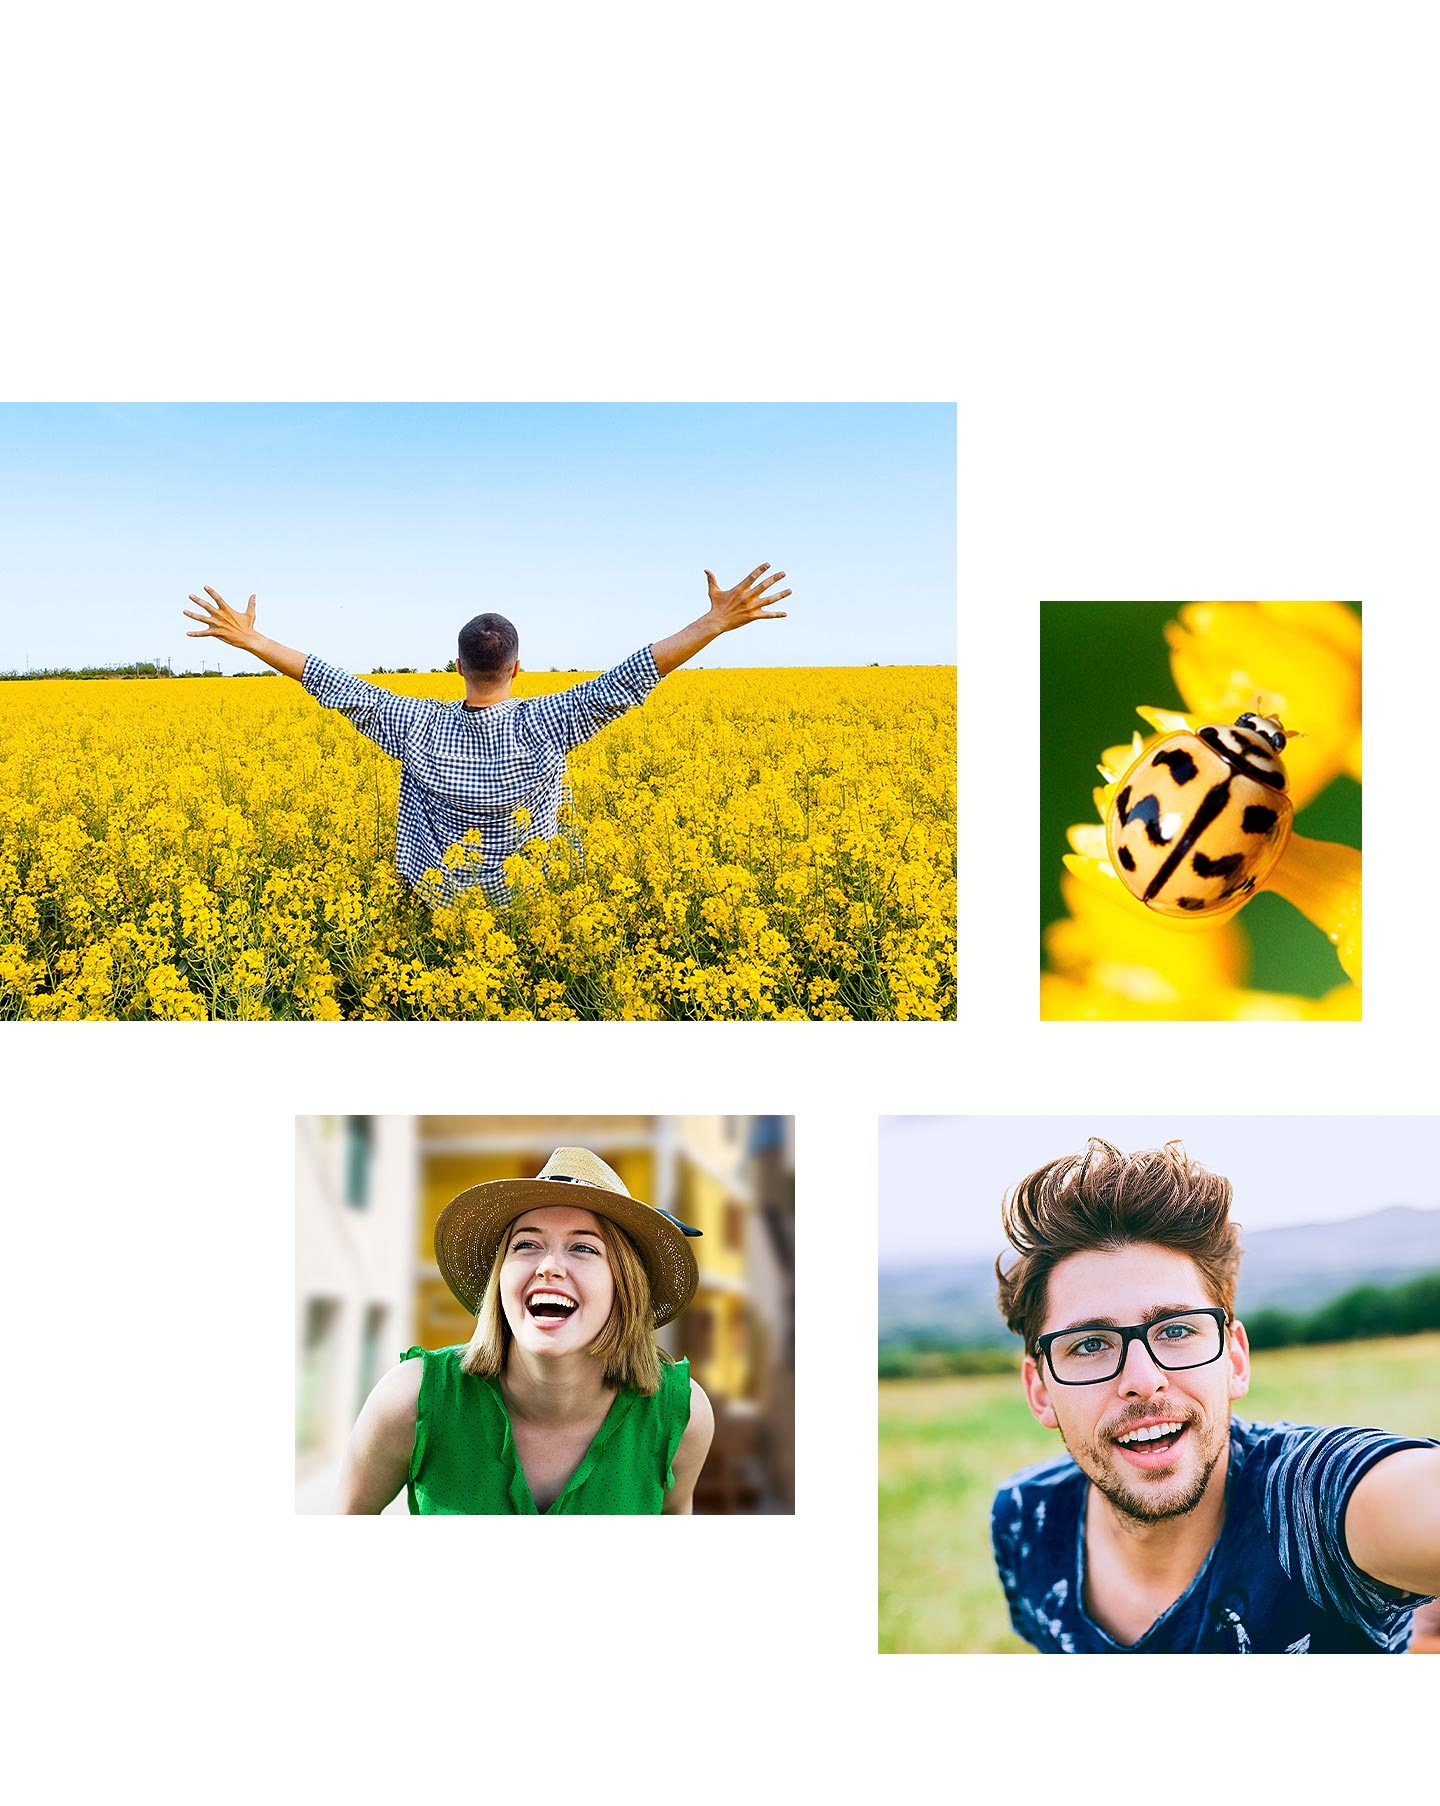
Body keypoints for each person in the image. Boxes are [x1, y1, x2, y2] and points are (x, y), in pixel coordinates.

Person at [990, 1138, 1440, 1653]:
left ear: (1234, 1360)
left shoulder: (1310, 1504)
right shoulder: (1028, 1520)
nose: (1142, 1377)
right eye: (1090, 1344)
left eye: (1177, 1331)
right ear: (1041, 1390)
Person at [182, 564, 790, 903]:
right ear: (518, 667)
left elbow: (329, 681)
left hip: (437, 903)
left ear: (456, 665)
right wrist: (714, 621)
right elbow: (636, 672)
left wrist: (253, 639)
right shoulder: (550, 723)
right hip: (534, 904)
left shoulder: (412, 724)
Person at [337, 1146, 715, 1515]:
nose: (549, 1266)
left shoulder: (682, 1418)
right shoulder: (411, 1402)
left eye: (583, 1248)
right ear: (501, 1277)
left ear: (625, 1287)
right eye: (527, 1244)